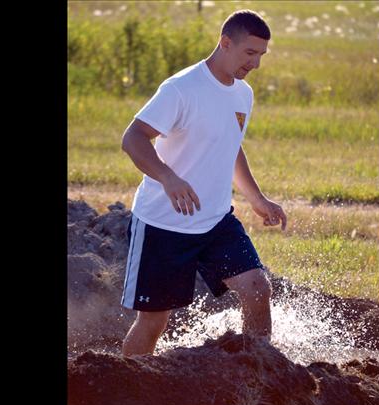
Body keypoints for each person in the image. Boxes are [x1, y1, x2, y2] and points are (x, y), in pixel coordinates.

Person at [120, 9, 287, 357]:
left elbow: (229, 144)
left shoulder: (243, 94)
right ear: (225, 43)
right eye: (249, 53)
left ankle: (258, 377)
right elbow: (133, 137)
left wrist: (256, 197)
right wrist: (168, 177)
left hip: (214, 220)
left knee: (257, 289)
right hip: (163, 224)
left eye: (261, 55)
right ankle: (129, 397)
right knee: (154, 323)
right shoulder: (181, 88)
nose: (255, 64)